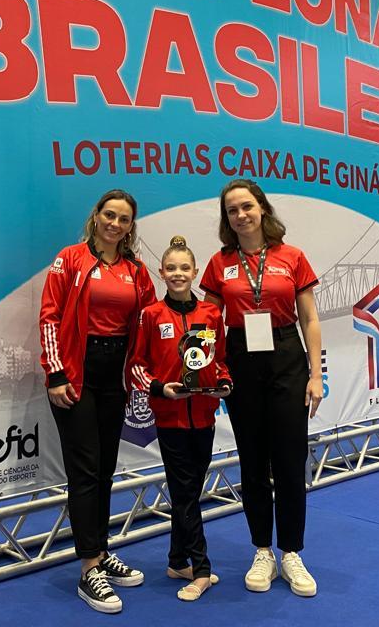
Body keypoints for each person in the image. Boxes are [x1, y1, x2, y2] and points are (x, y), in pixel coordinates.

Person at [199, 179, 323, 598]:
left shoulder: (292, 257)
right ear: (226, 218)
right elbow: (209, 323)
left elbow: (310, 319)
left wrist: (316, 374)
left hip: (286, 355)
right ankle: (262, 550)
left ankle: (291, 552)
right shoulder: (219, 263)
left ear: (263, 209)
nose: (241, 215)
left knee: (289, 459)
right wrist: (204, 368)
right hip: (240, 358)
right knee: (252, 461)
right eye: (232, 210)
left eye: (247, 206)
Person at [38, 189, 156, 613]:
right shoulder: (70, 259)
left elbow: (149, 323)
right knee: (86, 470)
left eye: (124, 219)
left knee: (105, 469)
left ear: (130, 227)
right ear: (96, 216)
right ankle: (89, 568)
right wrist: (56, 373)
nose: (115, 224)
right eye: (109, 215)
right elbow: (50, 316)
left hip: (115, 376)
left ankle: (101, 552)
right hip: (75, 374)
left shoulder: (136, 271)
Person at [126, 235, 231, 602]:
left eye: (184, 268)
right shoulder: (151, 315)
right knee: (186, 493)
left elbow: (220, 361)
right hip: (170, 419)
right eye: (171, 268)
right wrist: (159, 388)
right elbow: (136, 366)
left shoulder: (210, 314)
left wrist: (223, 383)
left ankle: (176, 561)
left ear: (195, 272)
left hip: (204, 417)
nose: (178, 274)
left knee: (188, 492)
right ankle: (201, 570)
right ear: (161, 272)